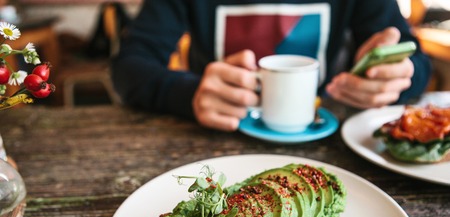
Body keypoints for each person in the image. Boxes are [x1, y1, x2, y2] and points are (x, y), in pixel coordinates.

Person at [111, 0, 431, 132]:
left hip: (327, 141)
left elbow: (416, 60)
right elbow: (129, 66)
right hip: (213, 139)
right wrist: (189, 94)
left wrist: (397, 77)